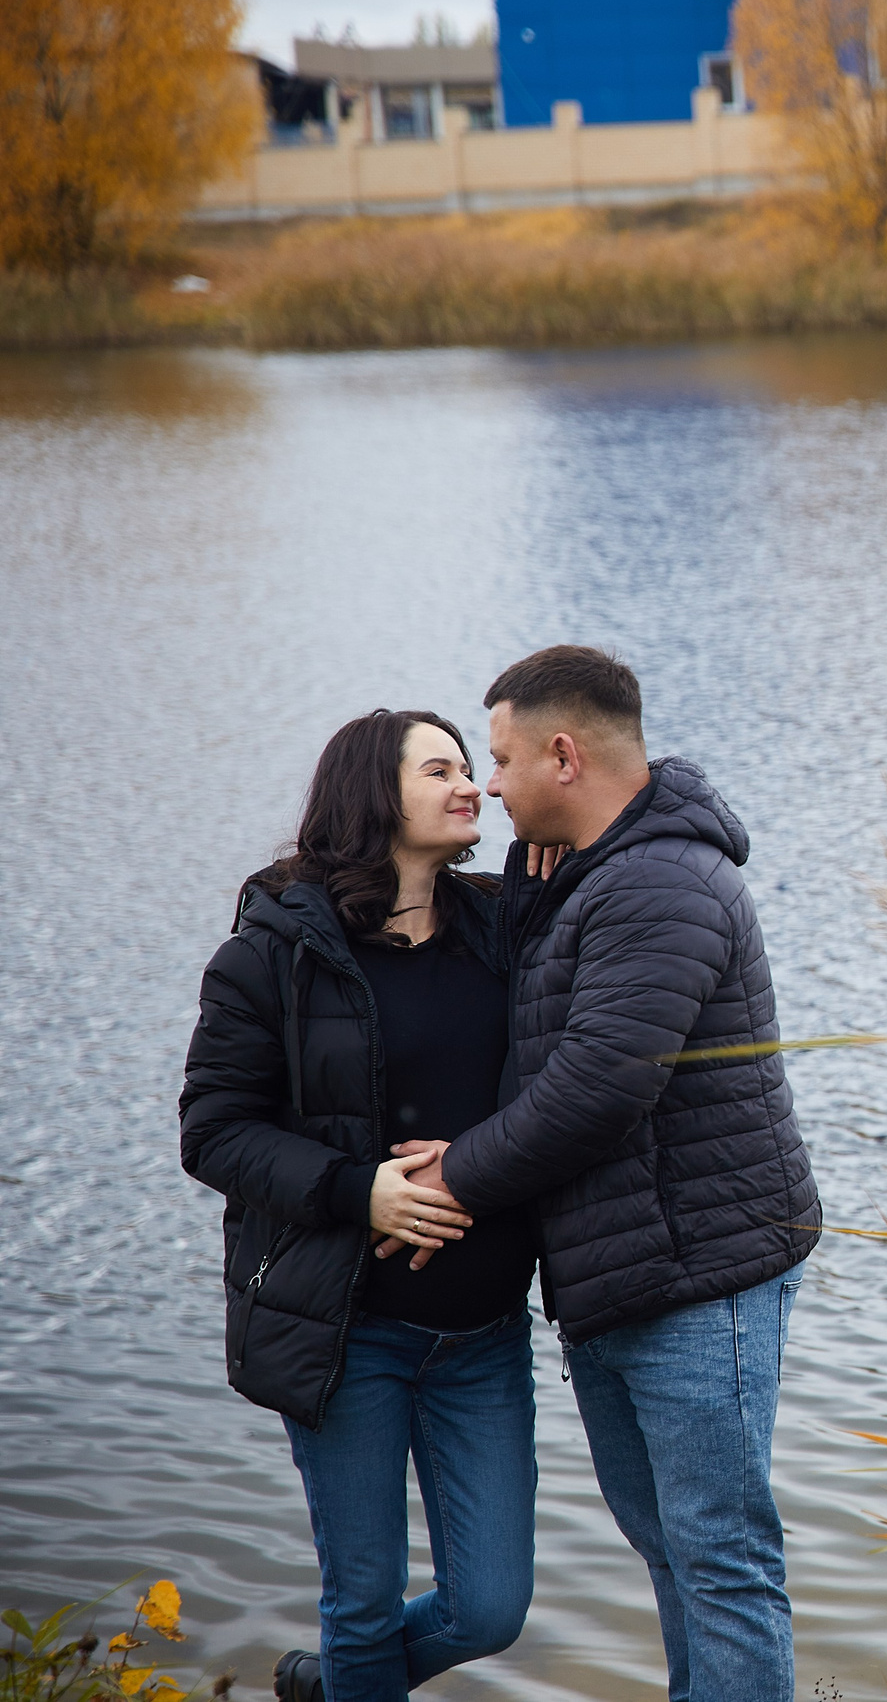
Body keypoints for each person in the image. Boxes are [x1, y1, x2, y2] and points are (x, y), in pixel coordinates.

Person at [395, 646, 821, 1702]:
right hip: (624, 1271)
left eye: (499, 760)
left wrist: (456, 1174)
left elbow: (596, 1089)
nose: (488, 786)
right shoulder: (586, 875)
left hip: (699, 1275)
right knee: (673, 1553)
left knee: (721, 1560)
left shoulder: (663, 881)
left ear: (564, 754)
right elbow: (551, 1030)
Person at [180, 710, 544, 1702]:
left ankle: (332, 1685)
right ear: (372, 795)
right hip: (347, 1332)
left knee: (491, 1607)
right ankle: (352, 1672)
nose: (471, 784)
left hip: (482, 1335)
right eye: (442, 769)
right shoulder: (270, 957)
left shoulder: (502, 929)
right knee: (365, 1605)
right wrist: (360, 1190)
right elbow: (212, 1133)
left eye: (474, 767)